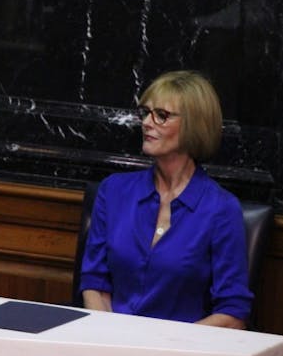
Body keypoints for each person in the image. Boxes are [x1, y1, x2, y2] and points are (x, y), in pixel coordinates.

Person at [79, 70, 252, 328]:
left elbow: (232, 313)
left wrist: (166, 347)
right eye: (145, 113)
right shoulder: (113, 191)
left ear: (195, 125)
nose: (147, 123)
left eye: (161, 115)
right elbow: (95, 283)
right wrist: (111, 341)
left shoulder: (220, 209)